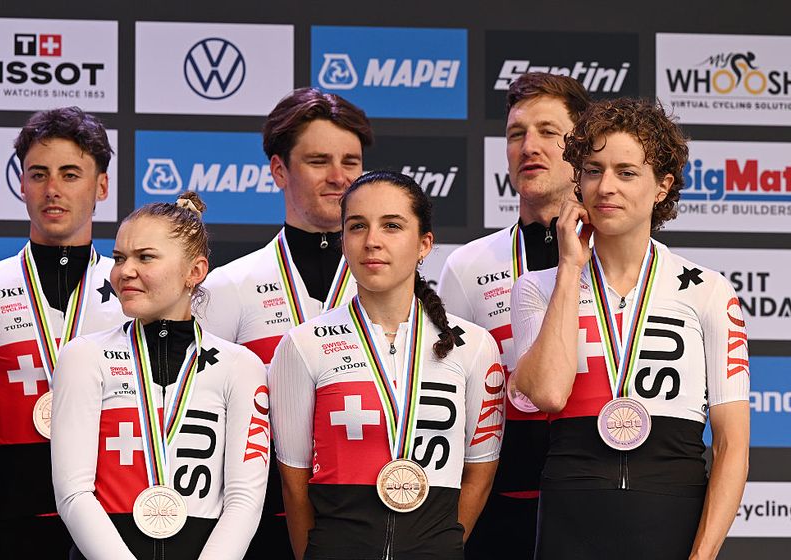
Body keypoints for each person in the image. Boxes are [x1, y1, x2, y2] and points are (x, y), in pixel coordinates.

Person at [511, 98, 750, 559]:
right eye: (593, 171)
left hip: (672, 520)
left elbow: (731, 445)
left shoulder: (708, 291)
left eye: (626, 172)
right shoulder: (537, 287)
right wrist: (568, 269)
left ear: (662, 186)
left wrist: (702, 556)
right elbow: (548, 394)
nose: (606, 187)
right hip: (569, 522)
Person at [269, 170, 506, 560]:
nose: (372, 241)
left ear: (424, 244)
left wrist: (437, 548)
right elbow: (294, 485)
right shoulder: (302, 345)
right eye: (357, 226)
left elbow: (480, 474)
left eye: (391, 226)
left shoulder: (476, 346)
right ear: (344, 241)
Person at [199, 87, 373, 557]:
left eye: (351, 162)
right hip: (259, 522)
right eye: (318, 161)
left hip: (368, 514)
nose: (339, 177)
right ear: (279, 170)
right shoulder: (229, 286)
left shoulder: (393, 285)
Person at [51, 192, 269, 559]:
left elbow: (244, 499)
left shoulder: (241, 366)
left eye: (145, 257)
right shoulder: (83, 356)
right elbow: (73, 494)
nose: (124, 271)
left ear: (194, 272)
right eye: (119, 258)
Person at [0, 107, 126, 559]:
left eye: (70, 174)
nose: (52, 190)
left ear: (101, 186)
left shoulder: (133, 291)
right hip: (17, 535)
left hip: (120, 534)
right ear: (22, 184)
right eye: (38, 174)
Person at [437, 72, 590, 557]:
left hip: (597, 502)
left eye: (548, 132)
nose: (529, 147)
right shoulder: (467, 265)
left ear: (581, 146)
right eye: (516, 134)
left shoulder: (615, 257)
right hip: (495, 510)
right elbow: (447, 393)